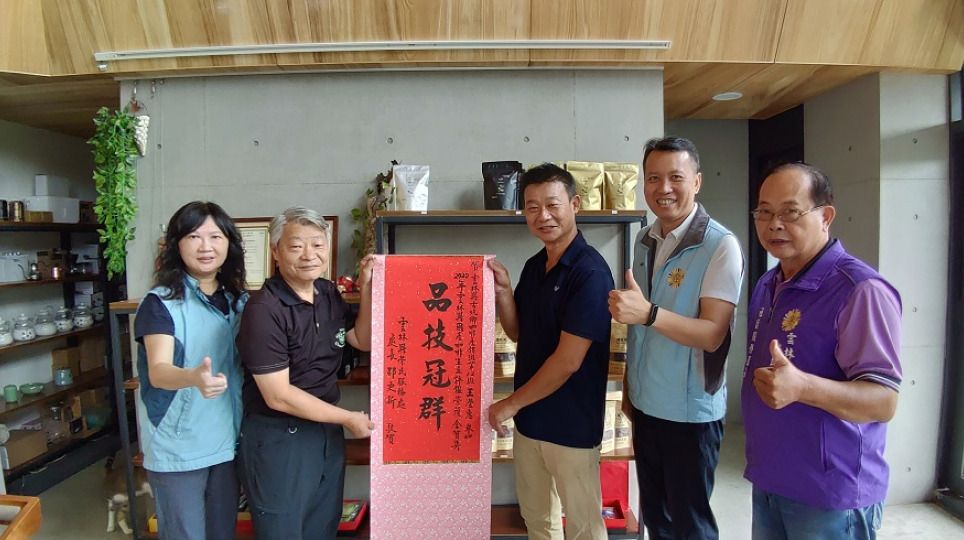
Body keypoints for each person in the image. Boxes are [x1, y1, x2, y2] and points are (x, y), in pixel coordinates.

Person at [743, 162, 902, 539]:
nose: (774, 224)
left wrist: (803, 387)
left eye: (790, 212)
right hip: (770, 479)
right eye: (764, 211)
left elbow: (883, 401)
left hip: (829, 496)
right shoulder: (769, 282)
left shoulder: (859, 291)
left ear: (825, 216)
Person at [609, 136, 744, 540]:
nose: (663, 188)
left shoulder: (720, 245)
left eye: (675, 177)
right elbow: (638, 328)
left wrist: (649, 314)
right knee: (657, 519)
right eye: (653, 178)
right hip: (647, 404)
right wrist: (631, 389)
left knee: (690, 525)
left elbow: (712, 334)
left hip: (690, 414)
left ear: (697, 181)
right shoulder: (645, 239)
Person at [488, 163, 614, 540]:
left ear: (574, 204)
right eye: (532, 207)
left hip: (571, 426)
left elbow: (568, 361)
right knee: (538, 520)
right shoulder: (535, 266)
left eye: (552, 204)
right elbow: (518, 332)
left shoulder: (590, 272)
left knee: (584, 527)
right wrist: (504, 292)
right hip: (531, 423)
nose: (543, 215)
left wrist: (510, 404)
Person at [236, 206, 375, 540]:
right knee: (282, 529)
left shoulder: (327, 293)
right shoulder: (264, 309)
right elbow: (278, 396)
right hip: (279, 438)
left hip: (325, 432)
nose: (309, 255)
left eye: (317, 244)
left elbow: (362, 340)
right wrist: (347, 418)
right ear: (275, 251)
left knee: (323, 525)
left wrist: (368, 288)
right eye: (297, 246)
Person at [134, 201, 248, 540]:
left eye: (215, 237)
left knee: (222, 533)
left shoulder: (238, 300)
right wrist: (192, 378)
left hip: (228, 442)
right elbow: (158, 371)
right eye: (194, 237)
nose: (205, 247)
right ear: (177, 244)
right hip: (180, 446)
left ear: (229, 244)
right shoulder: (161, 303)